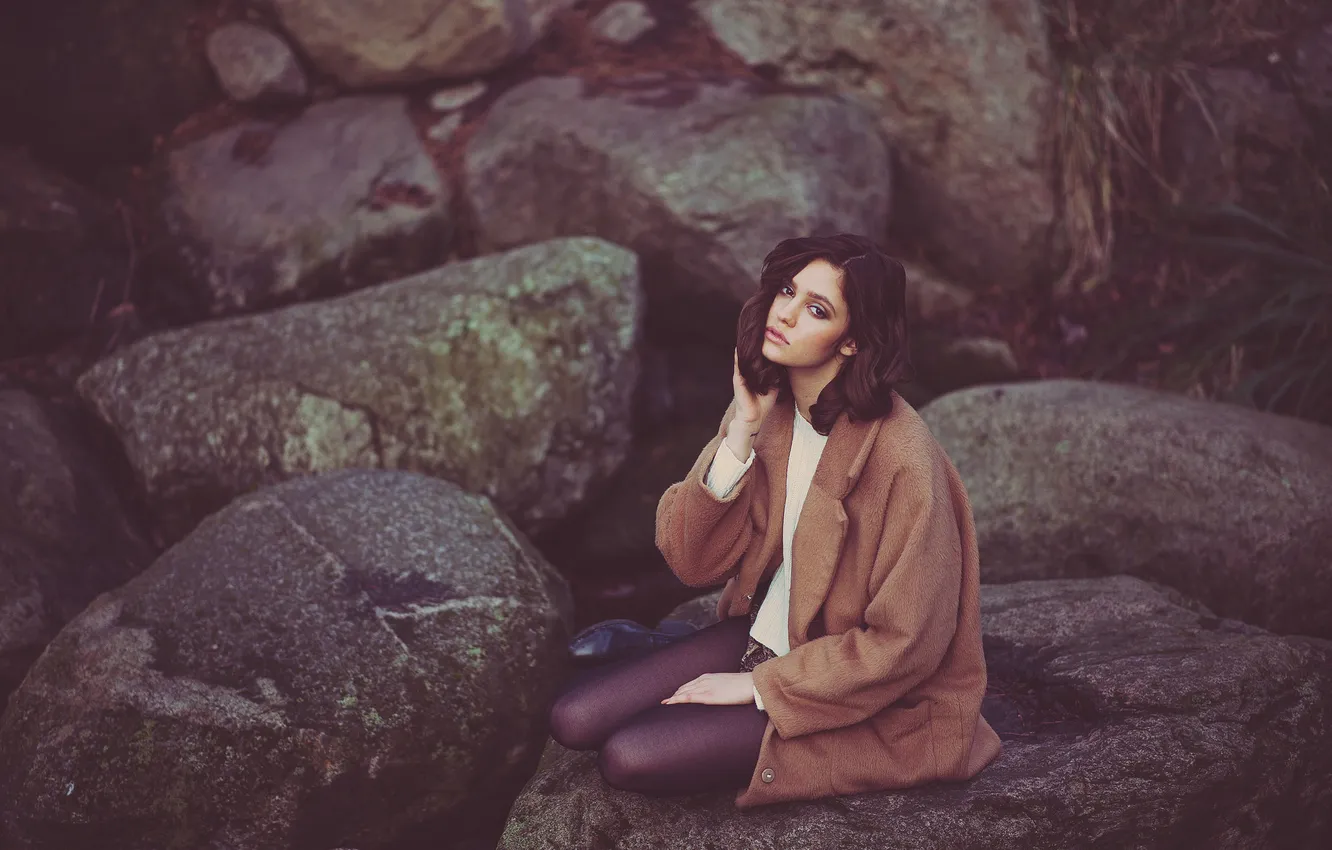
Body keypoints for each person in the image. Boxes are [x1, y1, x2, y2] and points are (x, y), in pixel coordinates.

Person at [548, 233, 1002, 809]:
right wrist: (742, 428)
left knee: (627, 756)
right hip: (764, 637)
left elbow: (903, 646)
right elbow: (692, 562)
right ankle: (671, 648)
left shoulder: (902, 459)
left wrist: (758, 687)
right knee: (572, 718)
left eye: (816, 309)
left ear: (853, 340)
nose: (784, 313)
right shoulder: (773, 405)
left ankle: (673, 654)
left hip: (859, 691)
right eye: (786, 290)